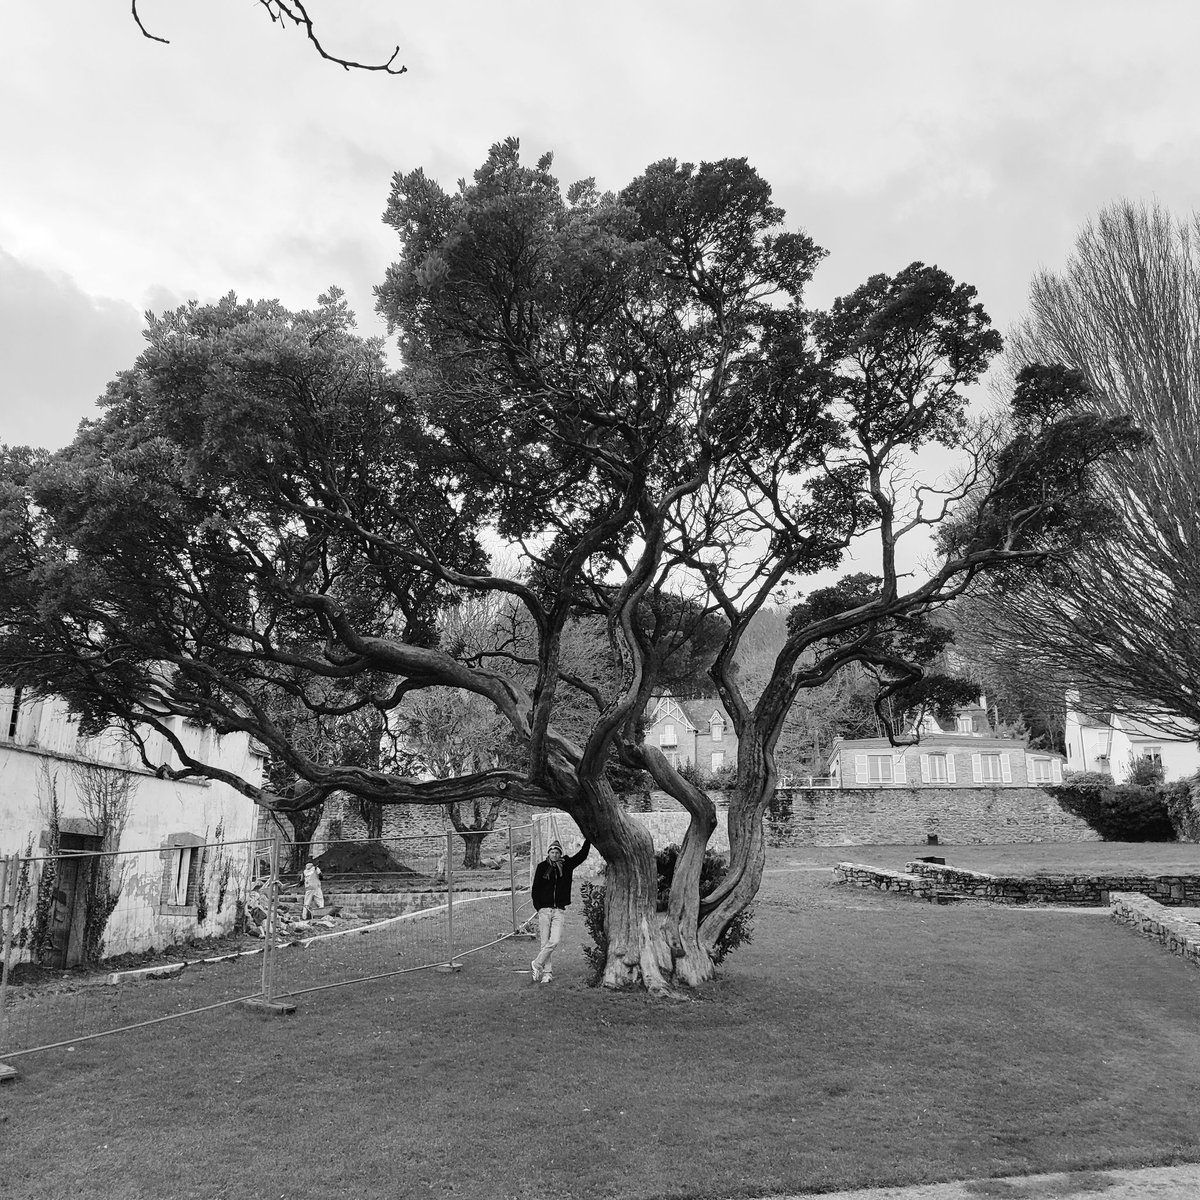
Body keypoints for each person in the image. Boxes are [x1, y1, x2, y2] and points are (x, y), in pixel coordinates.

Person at [530, 836, 591, 984]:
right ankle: (547, 973)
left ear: (560, 854)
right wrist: (539, 907)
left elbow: (582, 855)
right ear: (548, 853)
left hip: (558, 910)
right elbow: (535, 888)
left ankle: (536, 964)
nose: (555, 855)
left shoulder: (567, 865)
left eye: (557, 852)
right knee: (545, 943)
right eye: (552, 852)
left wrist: (588, 839)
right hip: (544, 909)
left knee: (554, 941)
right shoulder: (542, 867)